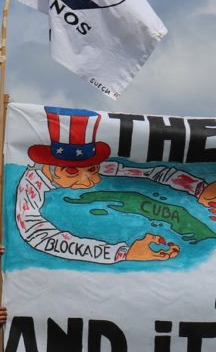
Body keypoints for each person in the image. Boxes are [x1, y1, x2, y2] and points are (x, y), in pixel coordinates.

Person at [15, 106, 216, 264]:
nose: (89, 180)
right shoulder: (30, 185)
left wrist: (197, 187)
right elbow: (38, 235)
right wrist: (123, 253)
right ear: (48, 166)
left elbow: (152, 171)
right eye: (71, 172)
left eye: (92, 170)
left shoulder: (102, 165)